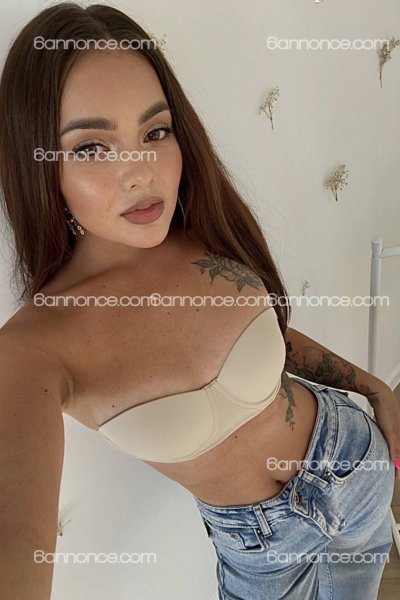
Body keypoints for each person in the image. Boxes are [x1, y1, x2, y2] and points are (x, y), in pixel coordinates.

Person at [0, 3, 398, 599]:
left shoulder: (200, 229)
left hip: (355, 462)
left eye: (155, 132)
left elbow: (267, 336)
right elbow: (15, 535)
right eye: (91, 148)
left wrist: (374, 387)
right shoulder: (33, 349)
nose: (142, 171)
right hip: (263, 553)